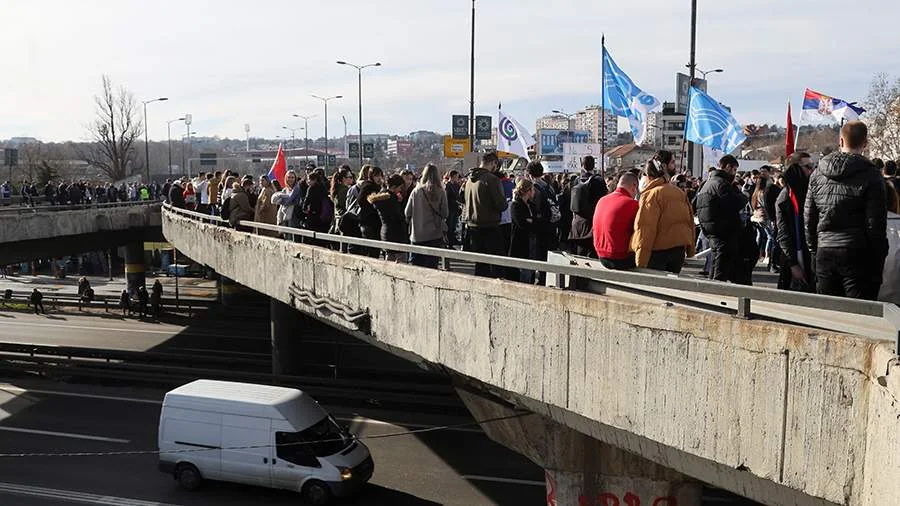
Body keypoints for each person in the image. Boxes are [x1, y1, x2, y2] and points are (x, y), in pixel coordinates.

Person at [805, 120, 888, 300]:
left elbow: (809, 219)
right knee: (859, 315)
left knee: (830, 314)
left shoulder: (817, 174)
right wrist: (878, 259)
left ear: (840, 141)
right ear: (865, 144)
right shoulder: (872, 175)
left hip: (825, 250)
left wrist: (814, 250)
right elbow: (876, 224)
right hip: (857, 251)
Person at [630, 152, 696, 273]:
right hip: (679, 251)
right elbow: (689, 221)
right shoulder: (679, 192)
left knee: (653, 288)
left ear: (648, 176)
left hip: (658, 252)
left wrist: (641, 260)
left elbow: (645, 229)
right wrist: (691, 250)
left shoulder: (651, 195)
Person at [695, 155, 749, 283]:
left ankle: (712, 290)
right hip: (723, 230)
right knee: (721, 268)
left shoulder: (708, 183)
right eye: (734, 170)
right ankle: (716, 294)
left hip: (711, 229)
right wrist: (743, 195)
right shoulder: (722, 184)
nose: (735, 174)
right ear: (728, 167)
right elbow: (734, 203)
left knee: (715, 264)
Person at [464, 152, 508, 277]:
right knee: (495, 268)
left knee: (480, 266)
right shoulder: (492, 180)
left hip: (473, 226)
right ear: (493, 163)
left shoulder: (469, 180)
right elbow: (501, 204)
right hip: (490, 227)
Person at [776, 161, 814, 291]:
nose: (811, 171)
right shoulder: (786, 197)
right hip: (794, 256)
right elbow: (783, 234)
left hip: (809, 254)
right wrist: (793, 264)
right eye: (808, 167)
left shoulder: (806, 193)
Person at [593, 173, 640, 269]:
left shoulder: (602, 200)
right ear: (634, 186)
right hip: (620, 258)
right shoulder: (632, 204)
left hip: (601, 255)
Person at [405, 163, 448, 268]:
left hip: (417, 236)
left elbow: (407, 212)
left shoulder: (416, 191)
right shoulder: (441, 192)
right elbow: (445, 213)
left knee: (417, 269)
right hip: (434, 235)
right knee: (431, 268)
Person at [569, 156, 608, 257]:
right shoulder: (599, 181)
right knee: (591, 255)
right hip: (592, 223)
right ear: (594, 166)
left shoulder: (576, 181)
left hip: (577, 222)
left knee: (578, 253)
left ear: (582, 165)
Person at [369, 174, 408, 262]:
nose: (400, 190)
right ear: (394, 187)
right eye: (399, 188)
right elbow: (399, 217)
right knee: (401, 263)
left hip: (385, 233)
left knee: (389, 261)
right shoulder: (392, 200)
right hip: (397, 236)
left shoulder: (380, 199)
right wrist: (400, 203)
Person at [509, 179, 537, 283]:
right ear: (528, 191)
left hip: (532, 240)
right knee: (522, 270)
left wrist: (531, 221)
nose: (534, 192)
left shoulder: (531, 205)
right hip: (520, 240)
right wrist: (530, 221)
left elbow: (537, 221)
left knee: (531, 267)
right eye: (532, 190)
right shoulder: (515, 205)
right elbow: (521, 223)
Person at [329, 167, 354, 234]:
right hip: (343, 222)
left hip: (337, 221)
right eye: (350, 177)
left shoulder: (337, 189)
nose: (352, 179)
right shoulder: (344, 191)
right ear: (344, 179)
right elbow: (346, 206)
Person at [445, 170, 462, 248]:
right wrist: (454, 201)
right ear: (453, 176)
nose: (457, 178)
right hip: (450, 208)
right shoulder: (448, 186)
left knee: (454, 225)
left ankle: (453, 239)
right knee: (450, 225)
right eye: (456, 177)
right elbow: (447, 198)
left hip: (455, 208)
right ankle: (449, 242)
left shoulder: (456, 185)